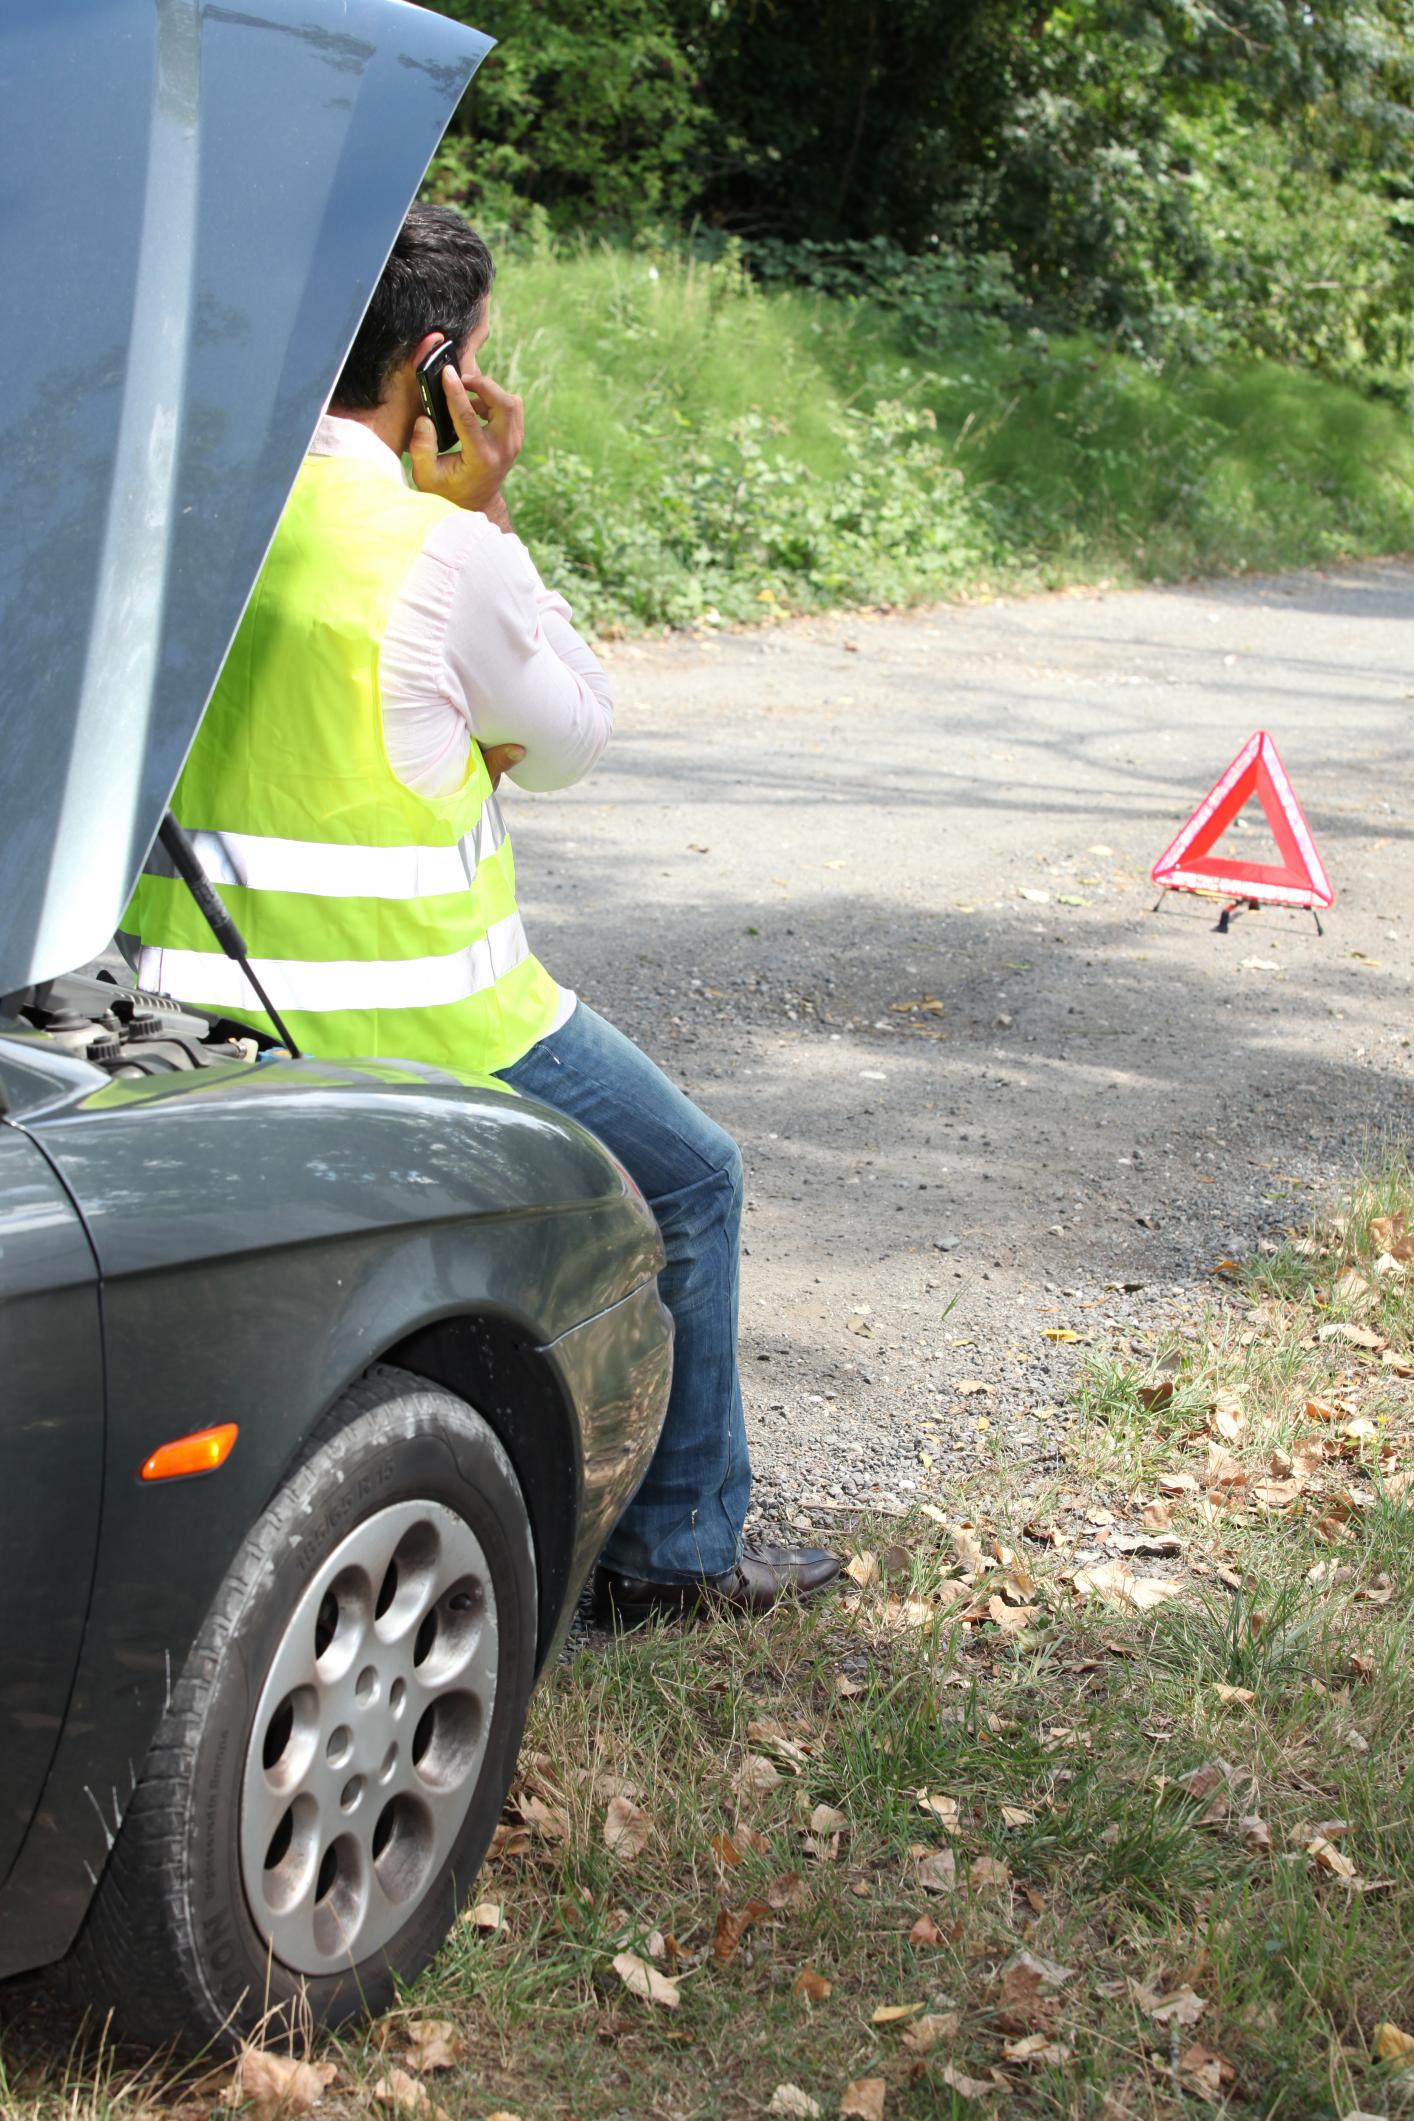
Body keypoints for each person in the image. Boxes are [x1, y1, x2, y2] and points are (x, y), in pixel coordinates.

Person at [125, 204, 840, 1624]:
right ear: (441, 367)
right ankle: (678, 1556)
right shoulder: (433, 549)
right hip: (421, 1012)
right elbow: (571, 739)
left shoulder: (183, 503)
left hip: (160, 1001)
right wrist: (487, 506)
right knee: (691, 1178)